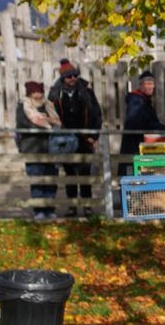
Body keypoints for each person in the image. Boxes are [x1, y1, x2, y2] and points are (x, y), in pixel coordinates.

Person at [48, 62, 102, 217]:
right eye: (69, 76)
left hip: (85, 139)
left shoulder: (86, 92)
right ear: (63, 78)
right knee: (70, 173)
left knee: (85, 174)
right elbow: (50, 115)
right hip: (65, 139)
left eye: (75, 75)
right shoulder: (56, 94)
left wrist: (93, 136)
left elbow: (96, 115)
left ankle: (87, 206)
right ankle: (71, 206)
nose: (72, 79)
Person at [16, 81, 61, 220]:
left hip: (51, 149)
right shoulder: (23, 107)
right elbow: (24, 123)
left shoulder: (48, 106)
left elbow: (58, 122)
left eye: (40, 91)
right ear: (29, 93)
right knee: (37, 180)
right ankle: (39, 210)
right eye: (35, 92)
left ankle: (50, 209)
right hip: (33, 149)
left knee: (51, 180)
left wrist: (51, 125)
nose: (38, 94)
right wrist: (46, 127)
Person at [120, 70, 165, 176]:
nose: (151, 87)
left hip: (141, 146)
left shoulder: (144, 101)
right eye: (148, 84)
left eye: (152, 84)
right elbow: (135, 123)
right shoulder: (136, 101)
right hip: (135, 147)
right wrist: (158, 127)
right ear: (141, 85)